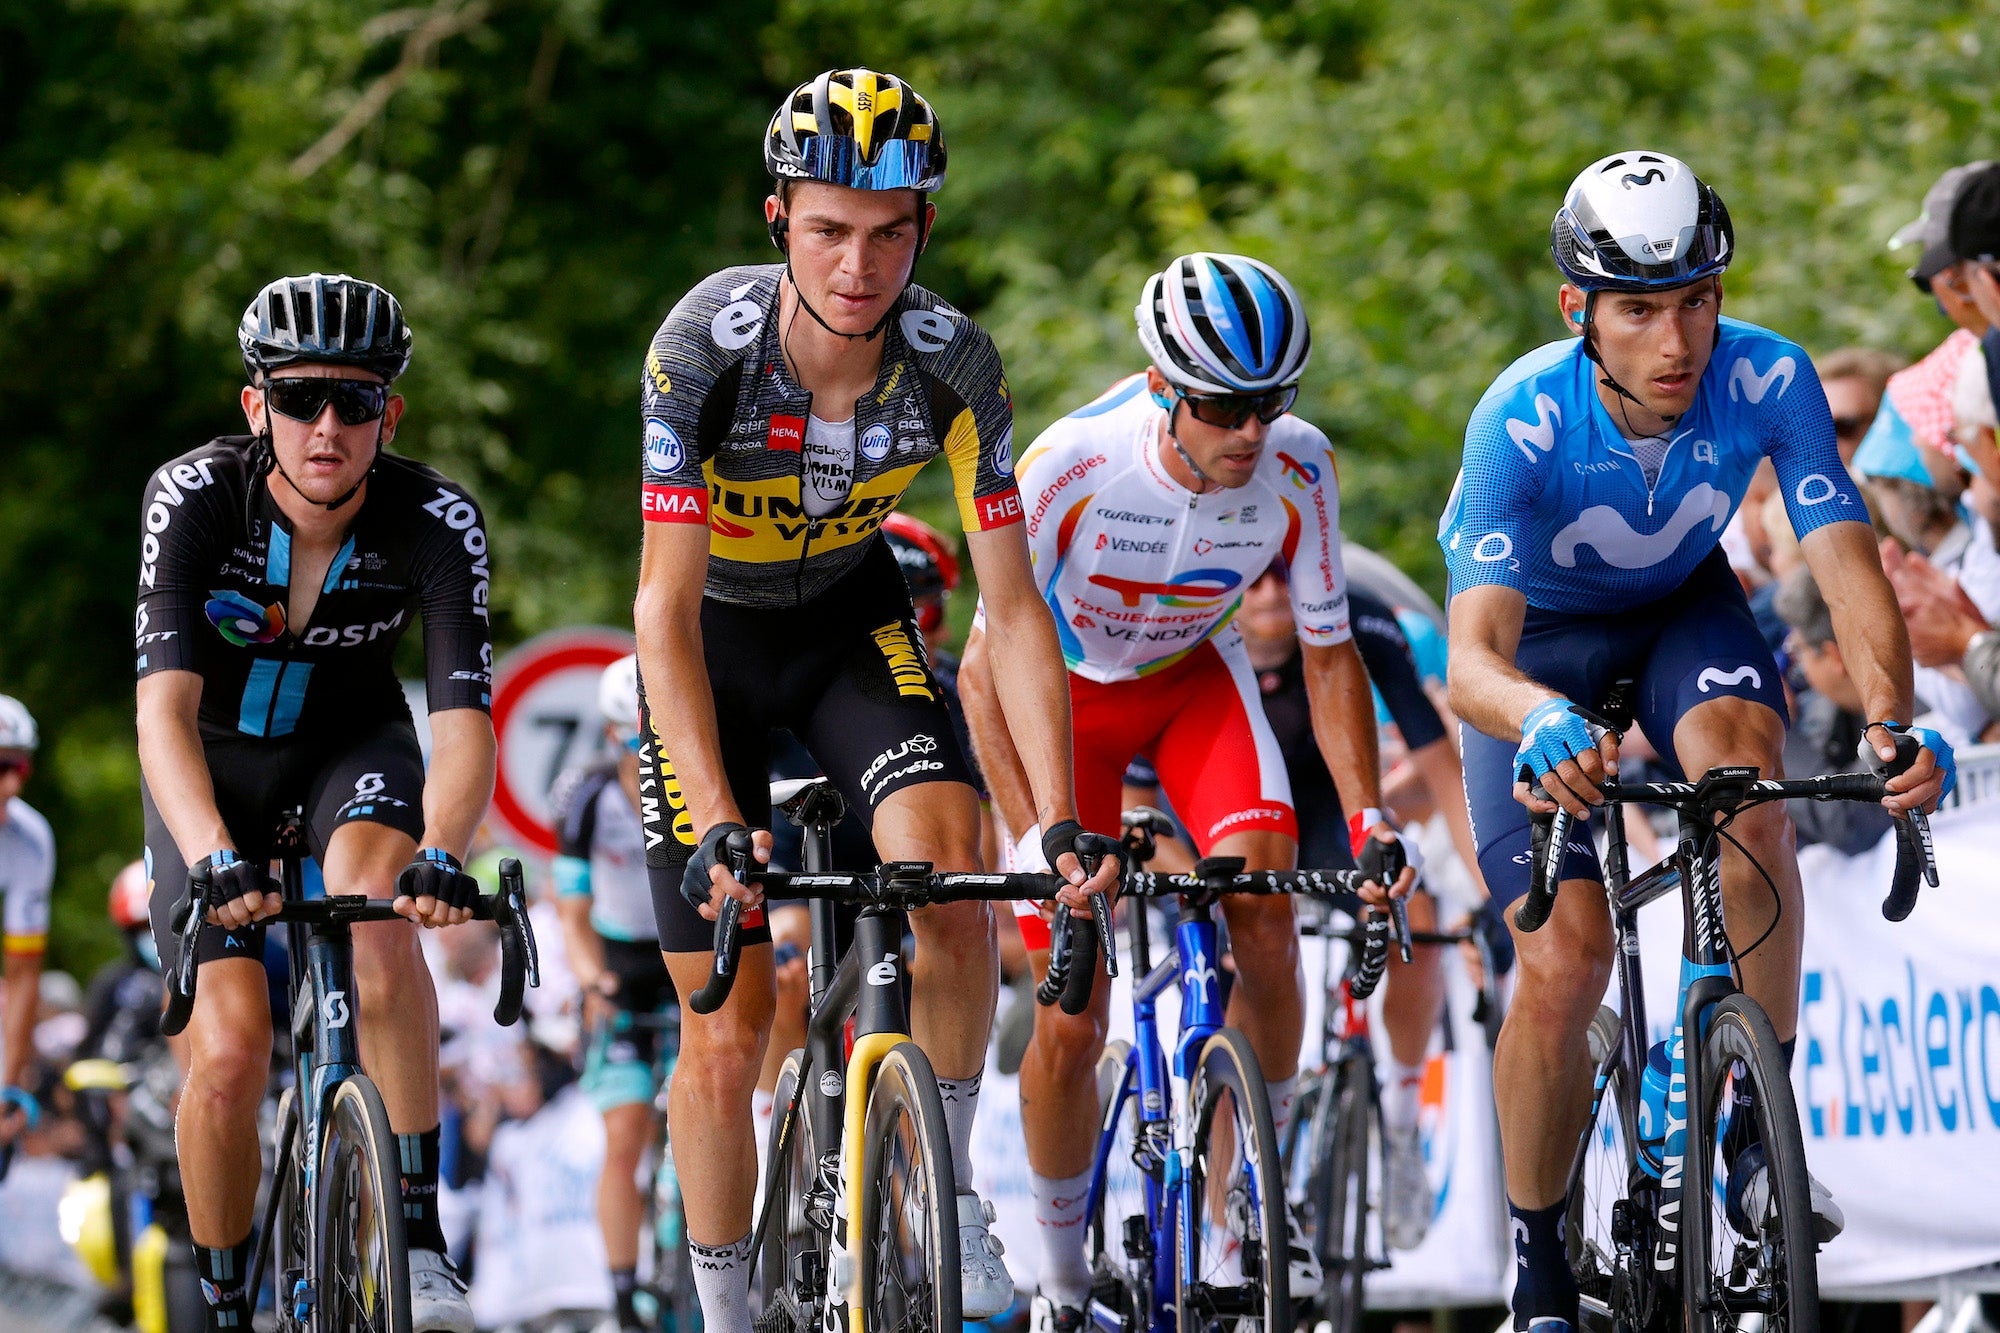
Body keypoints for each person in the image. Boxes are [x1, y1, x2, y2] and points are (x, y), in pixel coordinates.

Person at [630, 68, 1116, 1331]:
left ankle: (944, 1191)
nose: (859, 263)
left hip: (850, 623)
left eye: (889, 231)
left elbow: (1012, 613)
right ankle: (729, 1308)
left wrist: (1053, 819)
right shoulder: (702, 349)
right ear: (777, 218)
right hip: (713, 646)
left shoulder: (955, 363)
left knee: (952, 883)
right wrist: (713, 810)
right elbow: (663, 614)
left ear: (923, 230)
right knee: (725, 1025)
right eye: (830, 228)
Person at [1437, 151, 1953, 1333]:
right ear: (1579, 312)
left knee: (1747, 794)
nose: (1675, 341)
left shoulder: (1766, 376)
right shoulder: (1517, 422)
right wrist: (1538, 717)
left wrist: (1889, 721)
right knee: (1562, 961)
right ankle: (1535, 1266)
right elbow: (1471, 662)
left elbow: (1843, 565)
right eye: (1638, 311)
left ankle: (1747, 1138)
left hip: (1682, 610)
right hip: (1537, 656)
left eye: (1694, 302)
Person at [958, 252, 1418, 1332]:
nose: (1249, 432)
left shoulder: (1300, 468)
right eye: (1221, 407)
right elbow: (983, 670)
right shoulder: (1071, 464)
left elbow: (1325, 647)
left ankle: (1255, 1202)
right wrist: (1031, 831)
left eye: (1270, 403)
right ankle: (1064, 1278)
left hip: (1187, 689)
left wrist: (1367, 817)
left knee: (1263, 906)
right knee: (1071, 1013)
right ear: (1162, 386)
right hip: (1058, 704)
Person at [134, 273, 496, 1333]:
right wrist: (209, 856)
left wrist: (446, 849)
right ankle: (225, 1297)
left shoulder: (435, 518)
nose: (326, 424)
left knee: (382, 921)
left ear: (390, 413)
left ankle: (418, 1236)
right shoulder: (194, 497)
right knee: (233, 1047)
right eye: (299, 400)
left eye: (354, 400)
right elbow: (160, 715)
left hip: (352, 749)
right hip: (211, 768)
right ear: (258, 408)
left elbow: (463, 720)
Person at [548, 655, 677, 1333]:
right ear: (610, 736)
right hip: (617, 966)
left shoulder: (690, 782)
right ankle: (624, 1289)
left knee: (693, 1120)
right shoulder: (585, 794)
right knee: (624, 1132)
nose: (646, 758)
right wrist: (592, 978)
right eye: (633, 743)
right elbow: (570, 909)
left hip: (684, 962)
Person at [0, 693, 53, 1169]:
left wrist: (7, 1085)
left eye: (20, 767)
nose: (13, 784)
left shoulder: (30, 840)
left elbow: (21, 976)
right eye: (1, 767)